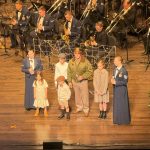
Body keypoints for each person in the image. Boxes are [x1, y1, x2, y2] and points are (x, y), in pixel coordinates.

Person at [67, 47, 93, 117]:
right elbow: (68, 72)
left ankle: (86, 109)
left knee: (85, 95)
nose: (77, 55)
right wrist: (69, 81)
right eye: (76, 53)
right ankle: (79, 107)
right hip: (74, 82)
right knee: (77, 95)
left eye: (78, 53)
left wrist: (83, 76)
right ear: (74, 54)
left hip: (83, 82)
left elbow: (90, 71)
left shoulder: (85, 61)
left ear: (81, 54)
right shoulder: (71, 61)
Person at [111, 56, 131, 125]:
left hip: (122, 90)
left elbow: (125, 82)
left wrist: (116, 82)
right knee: (117, 105)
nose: (114, 62)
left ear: (119, 61)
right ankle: (117, 120)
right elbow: (113, 76)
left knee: (122, 105)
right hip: (116, 90)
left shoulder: (124, 71)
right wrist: (112, 79)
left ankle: (124, 120)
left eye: (115, 61)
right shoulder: (115, 69)